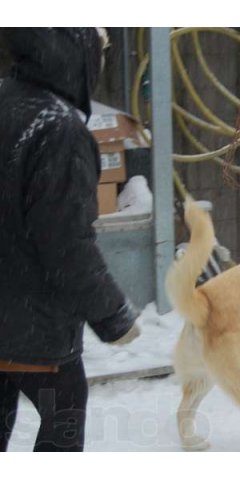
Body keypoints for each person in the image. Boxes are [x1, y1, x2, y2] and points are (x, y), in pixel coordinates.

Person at [0, 28, 141, 452]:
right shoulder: (58, 130)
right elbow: (66, 243)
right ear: (74, 51)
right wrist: (112, 315)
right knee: (64, 409)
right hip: (31, 320)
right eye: (99, 48)